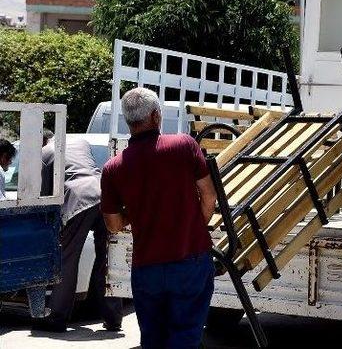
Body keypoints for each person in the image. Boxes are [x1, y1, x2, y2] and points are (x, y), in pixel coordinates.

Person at [101, 88, 217, 349]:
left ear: (128, 121)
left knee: (152, 340)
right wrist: (193, 227)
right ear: (155, 116)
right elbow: (208, 196)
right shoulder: (184, 145)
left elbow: (113, 224)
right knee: (185, 336)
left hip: (147, 268)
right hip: (189, 260)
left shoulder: (113, 168)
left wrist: (137, 209)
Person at [34, 137, 123, 332]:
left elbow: (45, 196)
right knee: (106, 259)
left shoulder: (45, 153)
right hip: (104, 193)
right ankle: (114, 318)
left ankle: (57, 317)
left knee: (67, 259)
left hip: (79, 198)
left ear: (42, 140)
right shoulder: (80, 142)